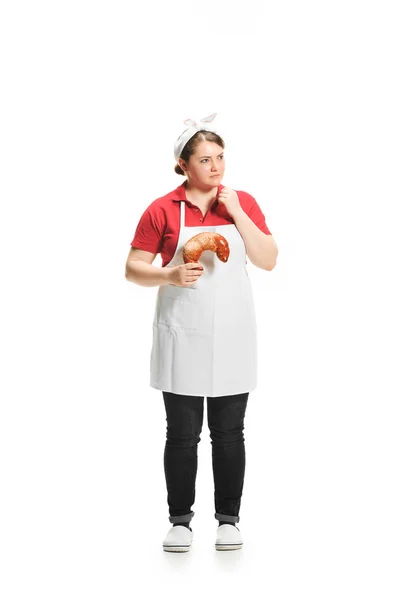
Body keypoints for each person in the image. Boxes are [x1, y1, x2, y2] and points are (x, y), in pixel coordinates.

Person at [125, 113, 278, 552]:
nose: (216, 167)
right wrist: (169, 276)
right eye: (206, 159)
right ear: (183, 165)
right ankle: (180, 522)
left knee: (230, 433)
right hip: (183, 333)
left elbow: (268, 259)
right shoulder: (161, 209)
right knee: (181, 433)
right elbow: (134, 268)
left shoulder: (241, 201)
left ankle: (228, 520)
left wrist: (235, 213)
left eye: (221, 157)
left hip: (232, 332)